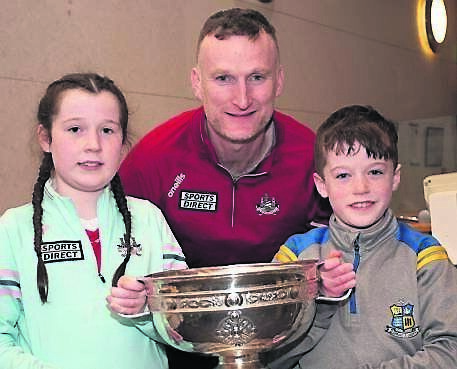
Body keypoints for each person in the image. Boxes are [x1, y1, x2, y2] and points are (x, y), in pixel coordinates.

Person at [119, 7, 331, 270]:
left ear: (278, 81)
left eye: (257, 77)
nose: (242, 99)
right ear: (197, 83)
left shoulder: (314, 159)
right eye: (223, 78)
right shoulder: (151, 160)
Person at [0, 73, 187, 369]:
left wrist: (147, 313)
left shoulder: (150, 219)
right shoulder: (13, 229)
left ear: (123, 144)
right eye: (75, 129)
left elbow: (188, 327)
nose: (93, 145)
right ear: (46, 138)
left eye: (107, 131)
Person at [267, 105, 457, 369]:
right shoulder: (295, 257)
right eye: (343, 175)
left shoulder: (425, 256)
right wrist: (317, 301)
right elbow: (267, 358)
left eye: (375, 172)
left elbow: (450, 352)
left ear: (395, 177)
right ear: (322, 185)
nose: (361, 188)